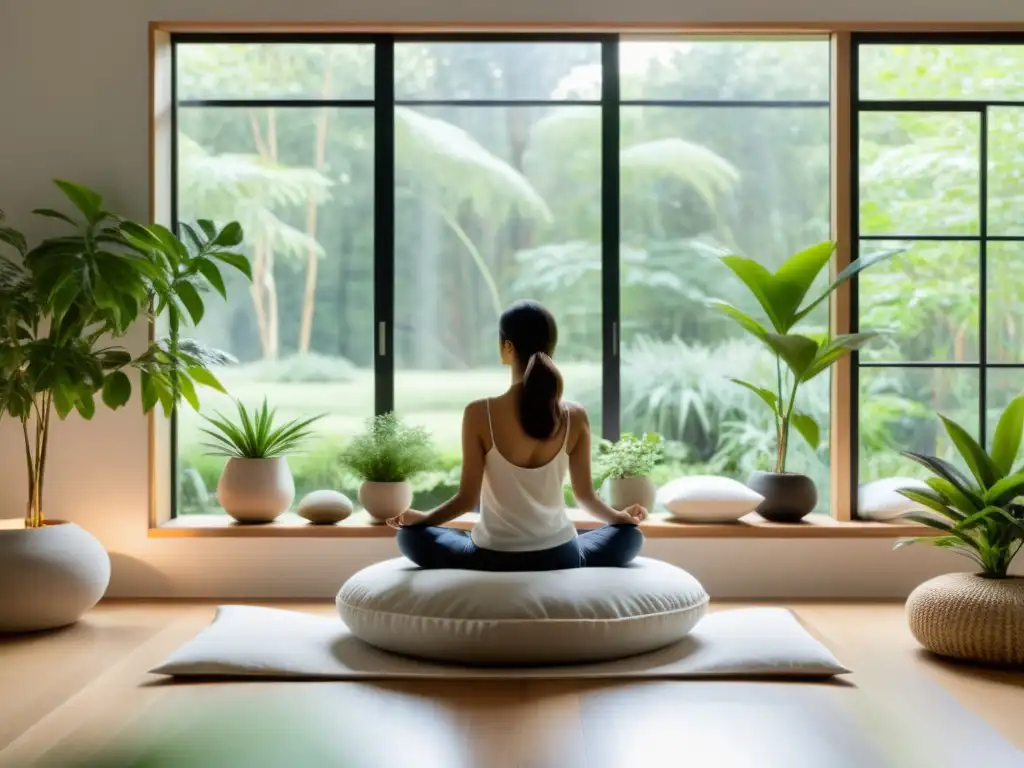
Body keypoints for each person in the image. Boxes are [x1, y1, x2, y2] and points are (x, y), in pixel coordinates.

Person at [388, 300, 647, 571]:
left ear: (507, 347)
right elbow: (585, 497)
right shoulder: (575, 415)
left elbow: (466, 499)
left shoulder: (480, 413)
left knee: (410, 535)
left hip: (492, 557)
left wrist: (424, 519)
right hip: (560, 556)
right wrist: (620, 518)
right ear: (551, 347)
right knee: (629, 536)